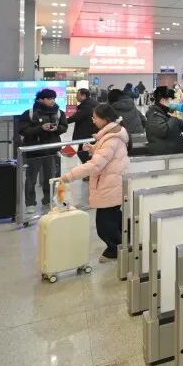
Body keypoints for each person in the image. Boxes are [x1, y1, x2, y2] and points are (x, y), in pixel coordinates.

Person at [61, 104, 130, 262]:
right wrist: (94, 149)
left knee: (104, 225)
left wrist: (69, 176)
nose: (93, 120)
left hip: (110, 185)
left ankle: (115, 249)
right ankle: (124, 244)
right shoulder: (112, 134)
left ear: (105, 119)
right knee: (114, 218)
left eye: (95, 118)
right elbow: (107, 156)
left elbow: (95, 165)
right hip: (112, 183)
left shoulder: (111, 139)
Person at [16, 89, 68, 211]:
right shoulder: (29, 113)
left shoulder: (59, 112)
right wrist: (41, 128)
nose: (52, 101)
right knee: (31, 179)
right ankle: (30, 204)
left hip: (52, 151)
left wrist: (56, 128)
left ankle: (48, 200)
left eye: (53, 98)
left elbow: (64, 127)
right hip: (34, 152)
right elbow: (23, 130)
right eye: (49, 98)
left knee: (51, 178)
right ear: (40, 99)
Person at [145, 86, 183, 155]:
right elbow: (163, 131)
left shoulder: (163, 113)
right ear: (162, 100)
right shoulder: (154, 115)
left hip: (170, 154)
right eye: (170, 100)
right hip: (164, 156)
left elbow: (181, 124)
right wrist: (173, 118)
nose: (173, 102)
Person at [68, 88, 96, 164]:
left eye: (77, 95)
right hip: (91, 133)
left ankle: (87, 170)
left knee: (85, 154)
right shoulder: (92, 102)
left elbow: (76, 117)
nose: (76, 97)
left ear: (83, 96)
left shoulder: (86, 105)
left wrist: (63, 122)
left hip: (85, 134)